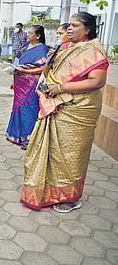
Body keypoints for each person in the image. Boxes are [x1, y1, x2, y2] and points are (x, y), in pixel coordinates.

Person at [21, 12, 109, 213]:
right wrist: (52, 59)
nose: (69, 28)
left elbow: (97, 81)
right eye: (69, 25)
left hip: (79, 107)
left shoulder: (93, 51)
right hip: (56, 104)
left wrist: (60, 89)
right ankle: (49, 193)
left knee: (71, 153)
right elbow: (48, 71)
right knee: (53, 150)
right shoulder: (64, 48)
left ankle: (70, 197)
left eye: (75, 25)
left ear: (87, 29)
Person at [6, 25, 48, 149]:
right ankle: (16, 135)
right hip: (19, 82)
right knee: (17, 107)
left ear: (38, 36)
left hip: (31, 83)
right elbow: (17, 62)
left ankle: (29, 138)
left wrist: (27, 72)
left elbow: (44, 68)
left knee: (29, 108)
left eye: (30, 33)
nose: (28, 35)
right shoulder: (25, 46)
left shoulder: (43, 49)